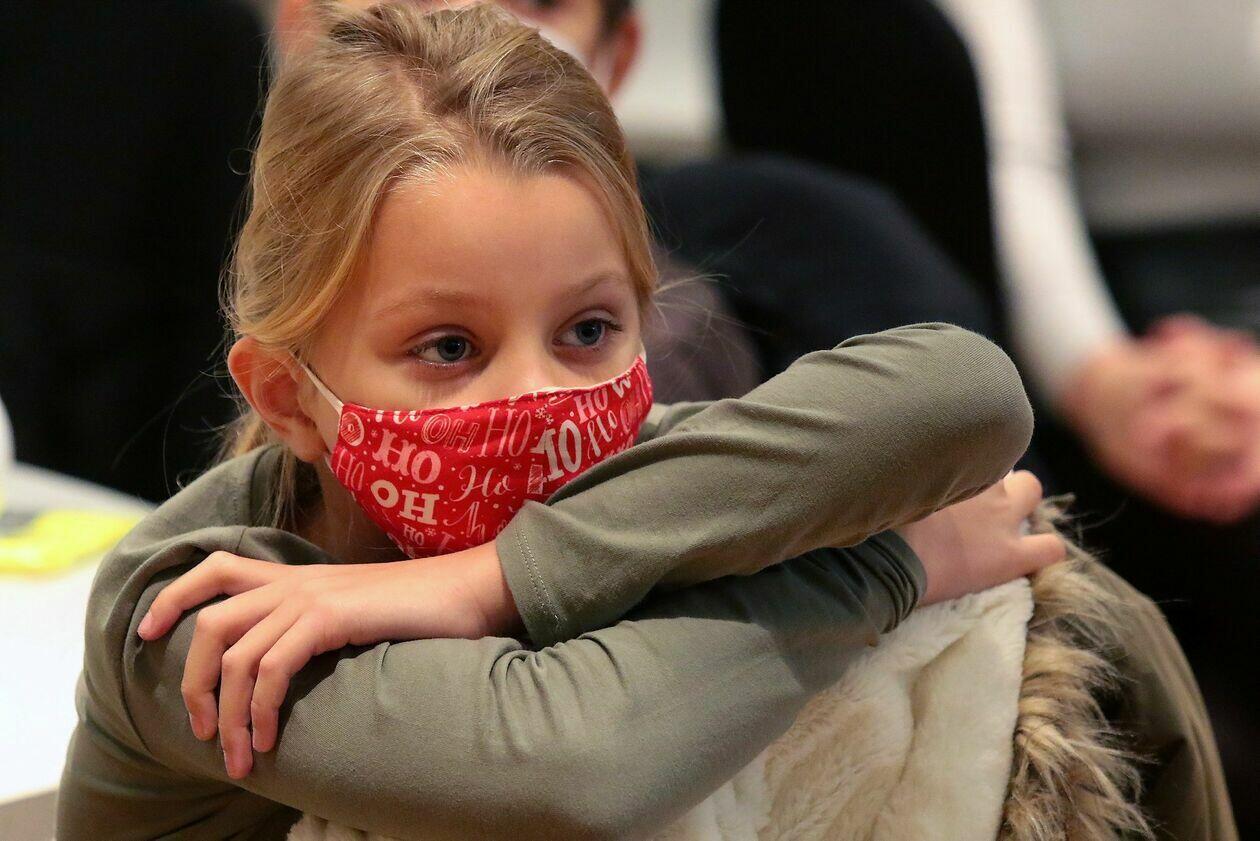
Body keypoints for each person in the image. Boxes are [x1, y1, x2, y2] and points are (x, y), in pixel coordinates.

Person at [55, 5, 1058, 838]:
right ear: (286, 397)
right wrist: (893, 562)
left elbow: (966, 390)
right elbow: (576, 768)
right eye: (449, 347)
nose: (537, 398)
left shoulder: (624, 466)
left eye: (587, 329)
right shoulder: (200, 614)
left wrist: (491, 576)